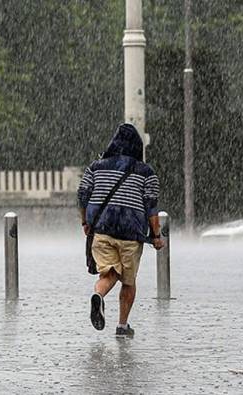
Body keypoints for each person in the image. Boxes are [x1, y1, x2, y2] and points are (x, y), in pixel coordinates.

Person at [77, 123, 165, 338]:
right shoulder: (146, 172)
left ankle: (98, 294)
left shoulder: (96, 167)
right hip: (131, 234)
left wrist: (85, 222)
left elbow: (82, 196)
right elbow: (151, 207)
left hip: (102, 230)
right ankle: (122, 326)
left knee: (109, 273)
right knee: (128, 280)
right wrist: (156, 236)